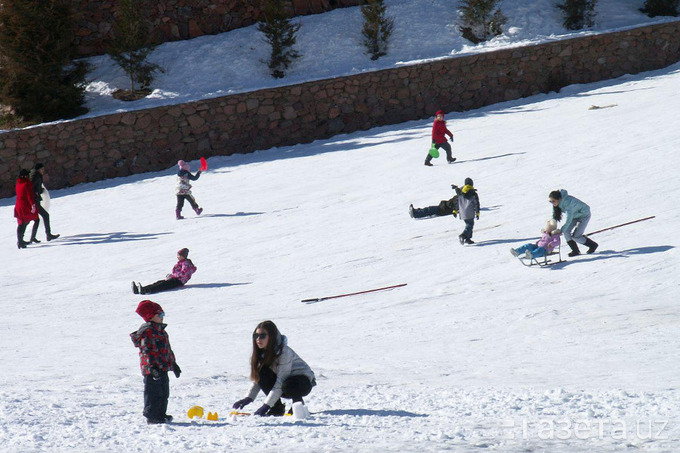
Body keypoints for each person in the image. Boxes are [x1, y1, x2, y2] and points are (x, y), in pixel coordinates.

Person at [232, 320, 316, 417]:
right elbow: (258, 380)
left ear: (272, 337)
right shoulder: (262, 354)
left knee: (289, 384)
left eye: (262, 336)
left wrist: (266, 405)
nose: (258, 339)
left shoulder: (284, 352)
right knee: (261, 372)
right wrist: (249, 397)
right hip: (284, 384)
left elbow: (281, 379)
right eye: (256, 336)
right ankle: (277, 407)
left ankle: (298, 405)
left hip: (302, 384)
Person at [130, 300, 181, 424]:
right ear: (150, 316)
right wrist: (152, 367)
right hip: (152, 370)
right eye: (160, 315)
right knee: (153, 392)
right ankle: (152, 415)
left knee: (164, 392)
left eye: (163, 314)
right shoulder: (147, 332)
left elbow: (167, 350)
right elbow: (147, 351)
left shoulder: (162, 332)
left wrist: (173, 364)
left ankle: (161, 414)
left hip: (162, 368)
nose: (163, 317)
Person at [549, 189, 598, 257]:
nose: (552, 203)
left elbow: (569, 219)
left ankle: (593, 245)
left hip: (584, 215)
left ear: (559, 199)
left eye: (553, 201)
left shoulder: (568, 202)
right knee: (566, 232)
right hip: (575, 216)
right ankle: (575, 250)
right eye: (550, 201)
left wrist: (561, 230)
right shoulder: (557, 203)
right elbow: (554, 216)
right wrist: (550, 226)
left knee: (576, 236)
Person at [132, 248, 197, 295]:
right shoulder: (182, 263)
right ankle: (139, 289)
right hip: (175, 279)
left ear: (183, 256)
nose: (177, 257)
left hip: (178, 281)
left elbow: (183, 273)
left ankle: (145, 290)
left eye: (179, 255)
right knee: (159, 282)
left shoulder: (185, 263)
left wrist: (172, 276)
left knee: (161, 285)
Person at [29, 163, 59, 243]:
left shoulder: (36, 175)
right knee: (45, 216)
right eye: (42, 169)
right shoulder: (34, 176)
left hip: (34, 200)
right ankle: (48, 235)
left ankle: (33, 238)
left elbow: (36, 187)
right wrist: (36, 193)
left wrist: (39, 191)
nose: (43, 171)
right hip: (34, 201)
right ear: (38, 169)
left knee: (36, 219)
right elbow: (31, 187)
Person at [14, 169, 39, 249]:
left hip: (19, 205)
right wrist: (33, 205)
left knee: (21, 223)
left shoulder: (18, 183)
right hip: (25, 206)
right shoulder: (26, 184)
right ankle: (21, 241)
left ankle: (20, 240)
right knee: (32, 220)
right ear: (24, 176)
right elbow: (29, 196)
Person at [453, 177, 480, 244]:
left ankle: (468, 239)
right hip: (470, 211)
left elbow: (457, 202)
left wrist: (455, 211)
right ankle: (463, 235)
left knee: (469, 224)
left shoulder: (460, 192)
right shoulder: (473, 193)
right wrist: (477, 212)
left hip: (462, 212)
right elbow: (476, 203)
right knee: (470, 224)